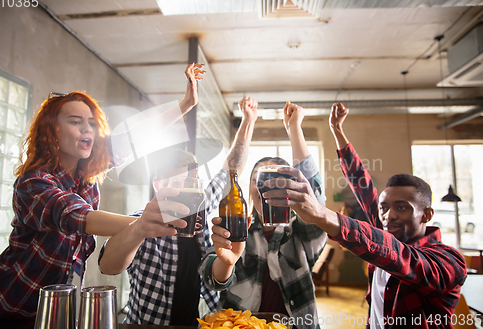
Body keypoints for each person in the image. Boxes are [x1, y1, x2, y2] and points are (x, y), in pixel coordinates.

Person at [0, 63, 205, 325]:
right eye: (75, 122)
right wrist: (147, 224)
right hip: (11, 306)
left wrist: (185, 105)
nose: (87, 129)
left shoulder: (85, 176)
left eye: (91, 123)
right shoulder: (33, 182)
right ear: (52, 131)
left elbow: (134, 138)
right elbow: (79, 217)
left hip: (60, 307)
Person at [263, 102, 467, 328]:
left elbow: (401, 257)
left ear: (427, 215)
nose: (389, 215)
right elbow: (363, 186)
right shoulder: (384, 227)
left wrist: (323, 214)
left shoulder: (449, 260)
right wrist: (338, 132)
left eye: (402, 207)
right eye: (385, 207)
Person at [98, 97, 258, 326]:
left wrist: (248, 121)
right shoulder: (141, 222)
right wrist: (138, 230)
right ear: (156, 185)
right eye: (174, 181)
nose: (183, 188)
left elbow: (231, 168)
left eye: (190, 181)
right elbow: (107, 266)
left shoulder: (202, 211)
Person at [199, 102, 327, 329]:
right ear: (249, 188)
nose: (266, 186)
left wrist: (295, 128)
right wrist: (226, 263)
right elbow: (211, 279)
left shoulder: (302, 229)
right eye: (258, 179)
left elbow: (316, 202)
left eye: (275, 180)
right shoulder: (238, 227)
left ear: (291, 187)